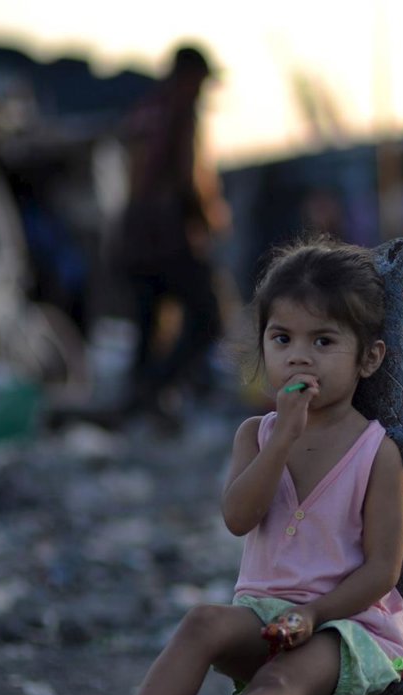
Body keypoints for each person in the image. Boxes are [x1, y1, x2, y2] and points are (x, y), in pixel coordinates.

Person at [112, 238, 403, 695]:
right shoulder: (256, 435)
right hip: (263, 617)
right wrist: (281, 440)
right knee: (202, 622)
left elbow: (382, 570)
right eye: (282, 339)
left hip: (343, 630)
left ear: (368, 359)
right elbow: (238, 516)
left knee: (281, 682)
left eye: (323, 342)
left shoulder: (375, 452)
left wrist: (315, 615)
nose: (299, 355)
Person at [118, 43, 231, 430]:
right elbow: (185, 174)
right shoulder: (180, 111)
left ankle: (140, 399)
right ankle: (154, 389)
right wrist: (208, 217)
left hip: (135, 234)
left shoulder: (144, 111)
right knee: (208, 317)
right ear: (188, 77)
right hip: (168, 235)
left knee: (149, 324)